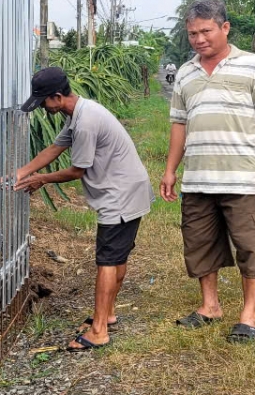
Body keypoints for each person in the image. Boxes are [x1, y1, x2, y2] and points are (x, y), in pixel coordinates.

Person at [161, 0, 255, 343]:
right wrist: (171, 170)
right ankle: (209, 306)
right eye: (192, 33)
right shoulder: (185, 73)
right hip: (198, 178)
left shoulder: (254, 66)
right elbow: (178, 125)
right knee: (200, 243)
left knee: (250, 245)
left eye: (206, 31)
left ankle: (248, 315)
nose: (199, 39)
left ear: (225, 28)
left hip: (242, 178)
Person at [14, 67, 153, 352]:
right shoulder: (79, 113)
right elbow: (55, 148)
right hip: (126, 190)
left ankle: (99, 330)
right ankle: (107, 314)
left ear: (56, 96)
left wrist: (41, 179)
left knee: (107, 261)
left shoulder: (86, 121)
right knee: (116, 256)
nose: (43, 108)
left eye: (43, 102)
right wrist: (23, 171)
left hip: (120, 195)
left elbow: (77, 170)